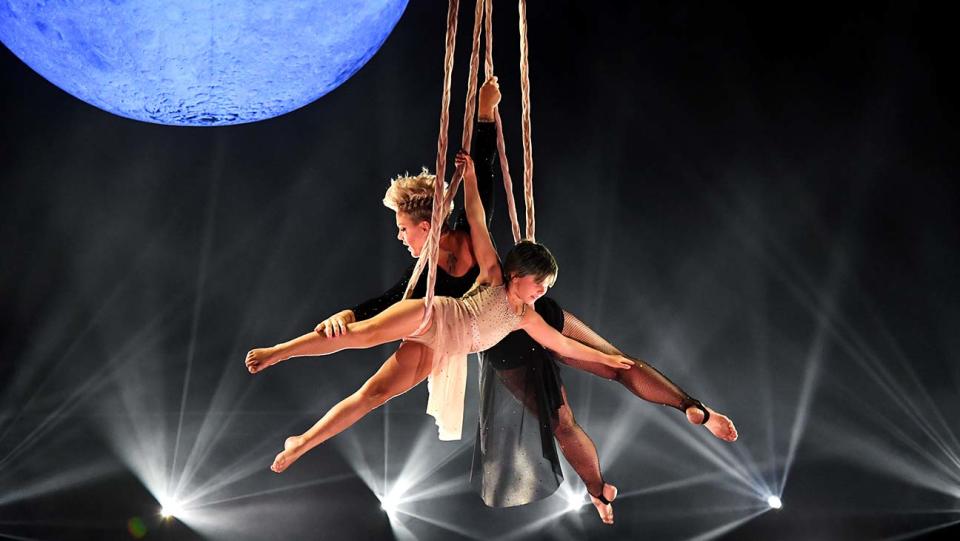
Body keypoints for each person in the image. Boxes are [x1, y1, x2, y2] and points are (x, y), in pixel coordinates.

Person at [304, 78, 737, 524]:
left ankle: (692, 411)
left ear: (428, 221)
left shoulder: (473, 244)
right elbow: (388, 300)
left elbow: (480, 177)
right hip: (511, 344)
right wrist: (350, 314)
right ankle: (603, 485)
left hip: (520, 331)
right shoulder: (425, 277)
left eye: (402, 227)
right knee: (574, 408)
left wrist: (487, 115)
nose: (399, 237)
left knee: (605, 377)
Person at [245, 132, 635, 516]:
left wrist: (608, 358)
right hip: (436, 315)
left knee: (377, 392)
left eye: (402, 228)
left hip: (451, 344)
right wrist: (466, 177)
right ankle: (280, 353)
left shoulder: (521, 310)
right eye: (540, 286)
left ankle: (302, 442)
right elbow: (475, 217)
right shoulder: (468, 273)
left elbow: (562, 344)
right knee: (357, 336)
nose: (400, 236)